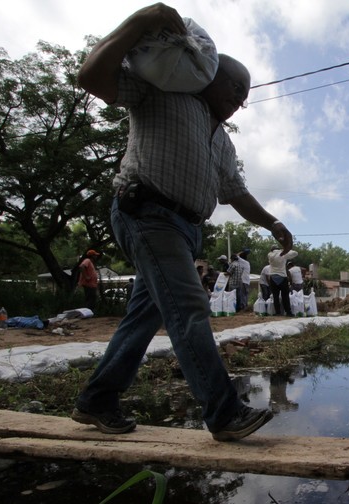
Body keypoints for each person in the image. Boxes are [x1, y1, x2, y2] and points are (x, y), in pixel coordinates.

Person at [71, 4, 293, 442]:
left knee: (141, 320)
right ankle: (224, 413)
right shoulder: (161, 92)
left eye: (246, 94)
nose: (242, 98)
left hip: (185, 231)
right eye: (236, 86)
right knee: (190, 310)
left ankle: (97, 399)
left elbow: (235, 192)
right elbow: (91, 78)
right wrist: (138, 24)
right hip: (147, 214)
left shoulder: (224, 143)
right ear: (209, 75)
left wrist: (273, 223)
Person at [268, 244, 297, 316]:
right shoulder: (283, 254)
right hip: (282, 277)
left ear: (272, 250)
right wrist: (286, 249)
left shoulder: (270, 255)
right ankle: (288, 312)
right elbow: (295, 253)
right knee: (285, 296)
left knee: (275, 296)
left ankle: (278, 312)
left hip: (273, 277)